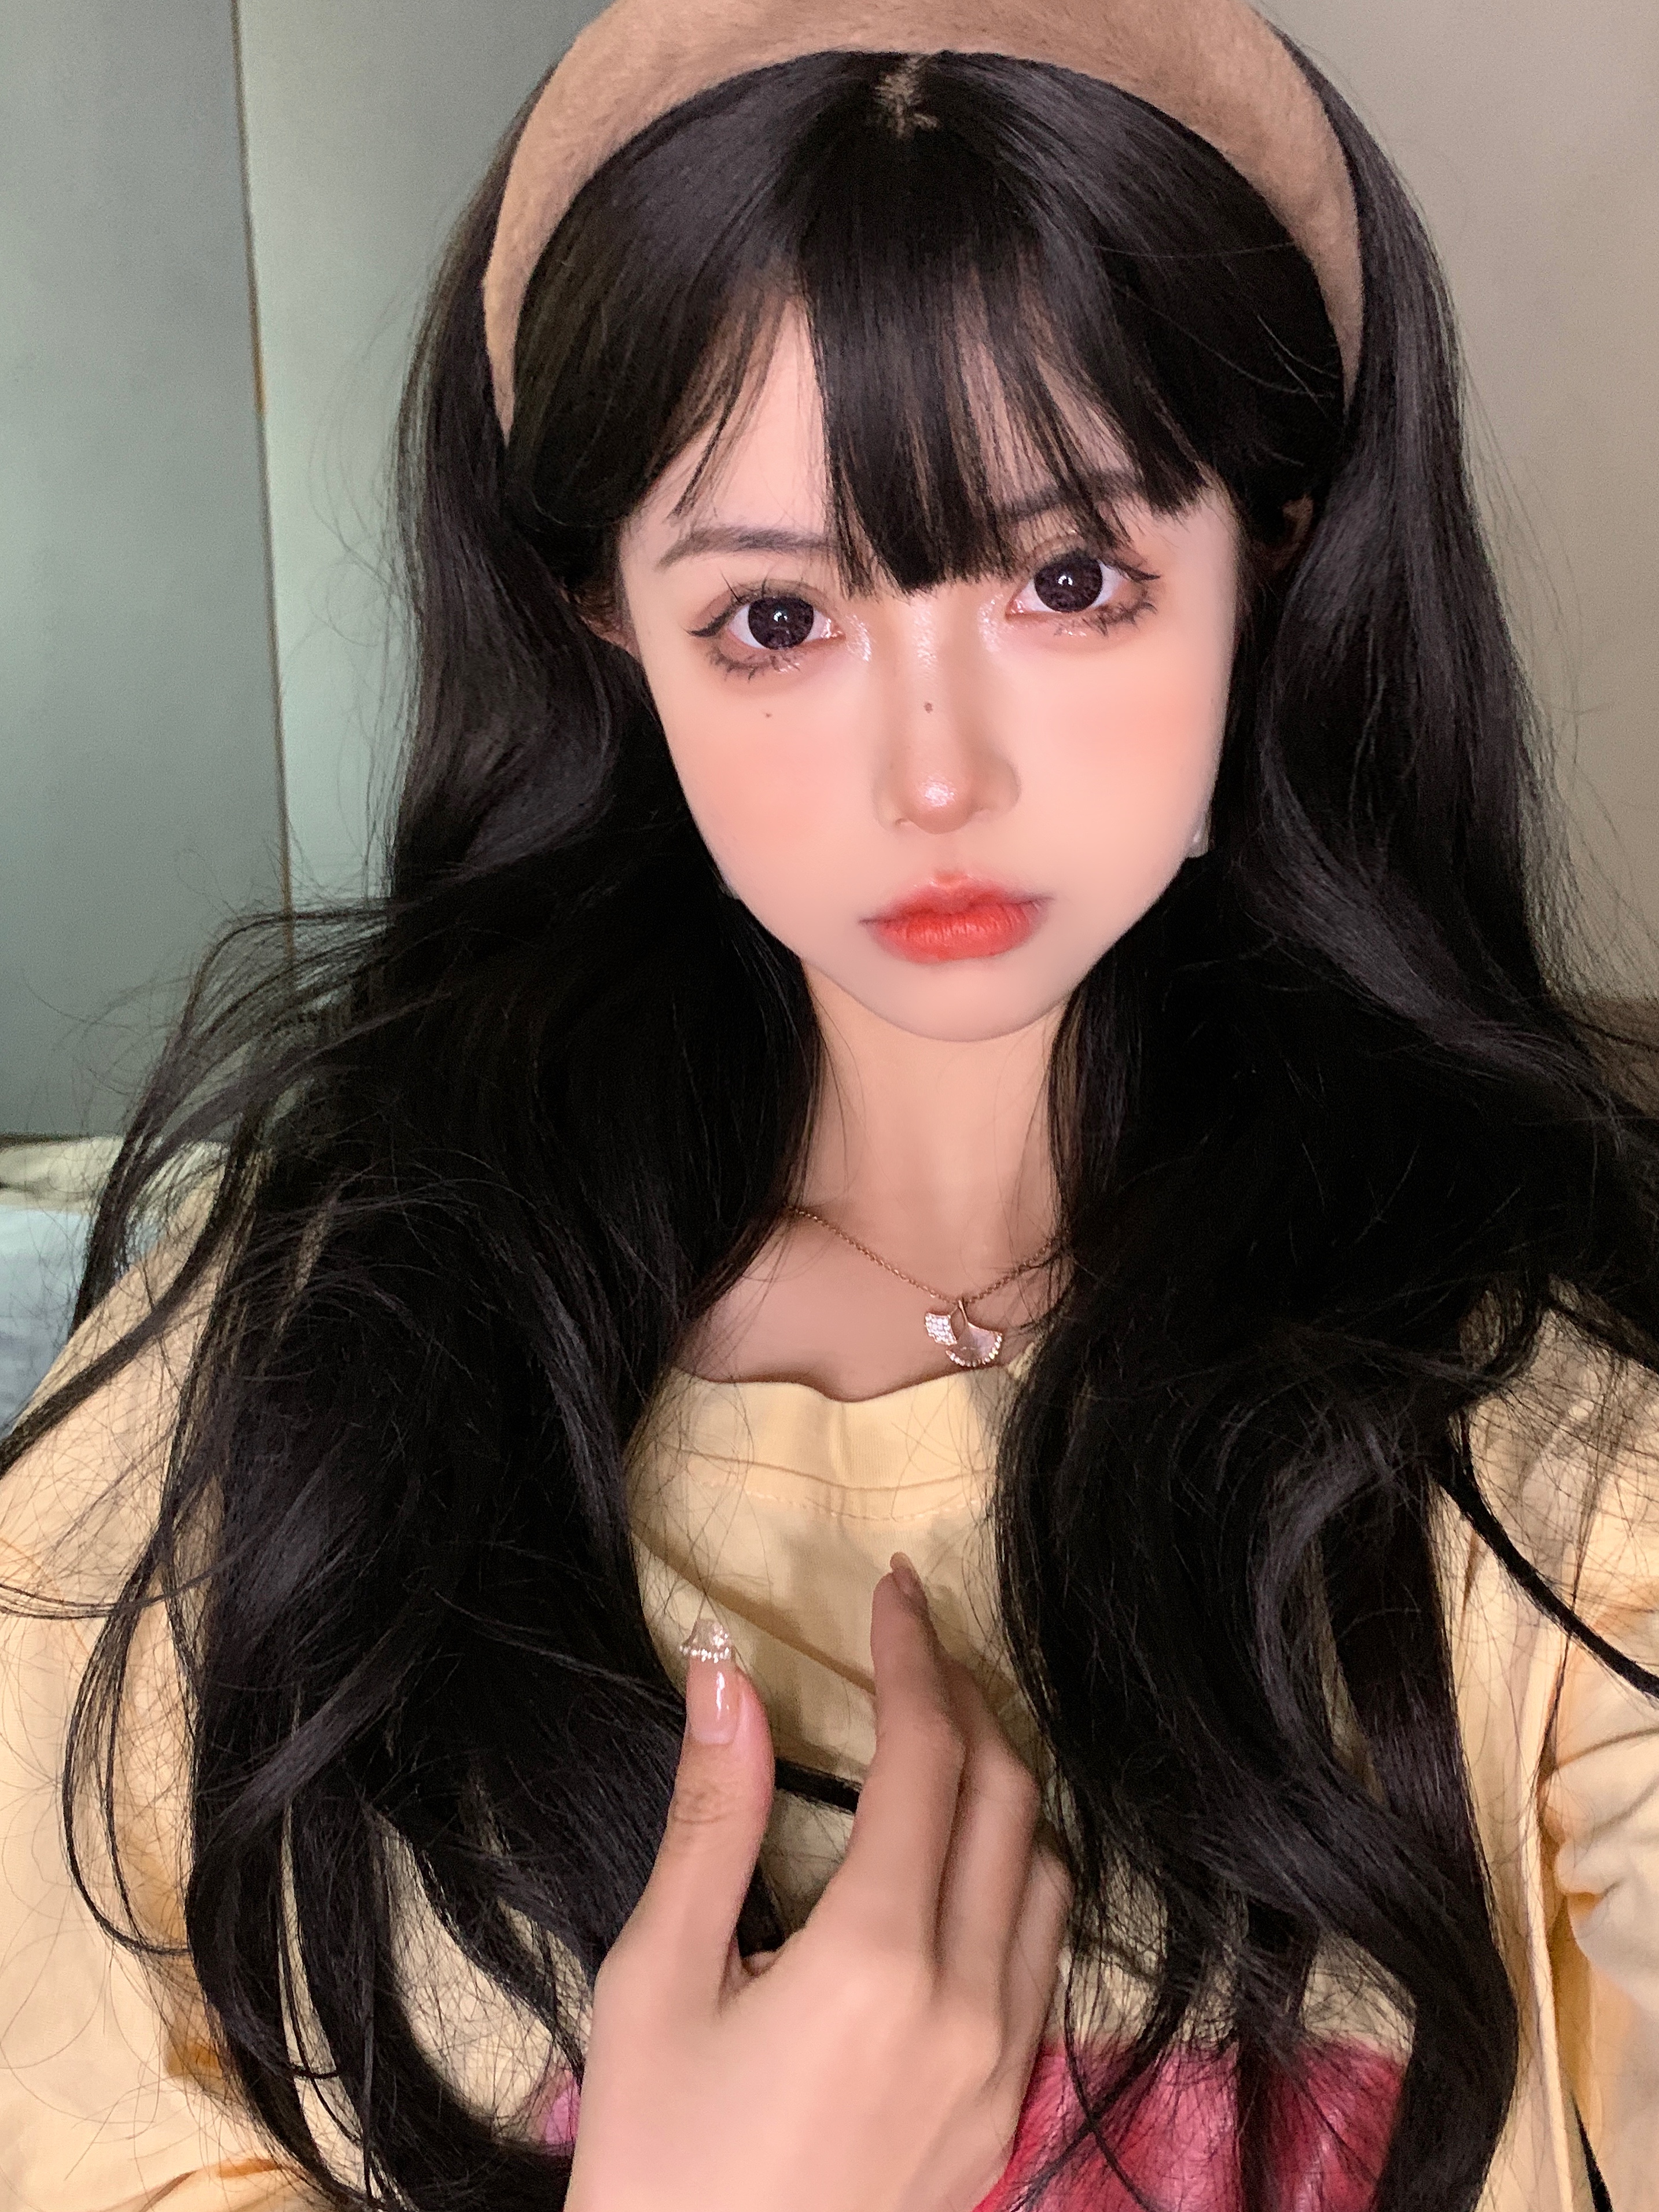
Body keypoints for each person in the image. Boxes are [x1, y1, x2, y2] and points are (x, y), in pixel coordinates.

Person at [2, 3, 1656, 2208]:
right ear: (603, 617)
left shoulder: (1546, 1448)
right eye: (778, 616)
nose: (934, 775)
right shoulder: (278, 1397)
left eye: (1066, 581)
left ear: (1268, 550)